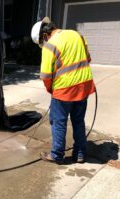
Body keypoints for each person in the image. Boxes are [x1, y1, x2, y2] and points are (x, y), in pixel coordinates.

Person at [31, 17, 96, 164]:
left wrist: (51, 91)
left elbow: (46, 76)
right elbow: (88, 58)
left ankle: (57, 155)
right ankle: (80, 154)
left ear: (44, 35)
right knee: (78, 121)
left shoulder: (50, 45)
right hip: (84, 86)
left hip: (64, 90)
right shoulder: (76, 34)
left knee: (58, 122)